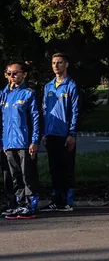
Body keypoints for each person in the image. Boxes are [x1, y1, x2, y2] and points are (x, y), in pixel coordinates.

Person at [2, 61, 40, 219]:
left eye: (15, 73)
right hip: (9, 142)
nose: (12, 76)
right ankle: (18, 204)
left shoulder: (28, 94)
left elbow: (36, 118)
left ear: (24, 74)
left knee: (27, 175)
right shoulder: (5, 95)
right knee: (15, 175)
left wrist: (34, 140)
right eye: (9, 73)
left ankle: (30, 204)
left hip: (24, 142)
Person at [42, 52, 79, 212]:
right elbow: (45, 110)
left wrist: (72, 133)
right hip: (51, 134)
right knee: (54, 169)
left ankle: (67, 201)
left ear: (66, 64)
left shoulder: (71, 86)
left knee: (66, 168)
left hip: (65, 134)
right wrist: (44, 132)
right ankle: (55, 200)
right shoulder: (48, 86)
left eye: (59, 62)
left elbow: (75, 110)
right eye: (54, 63)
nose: (56, 65)